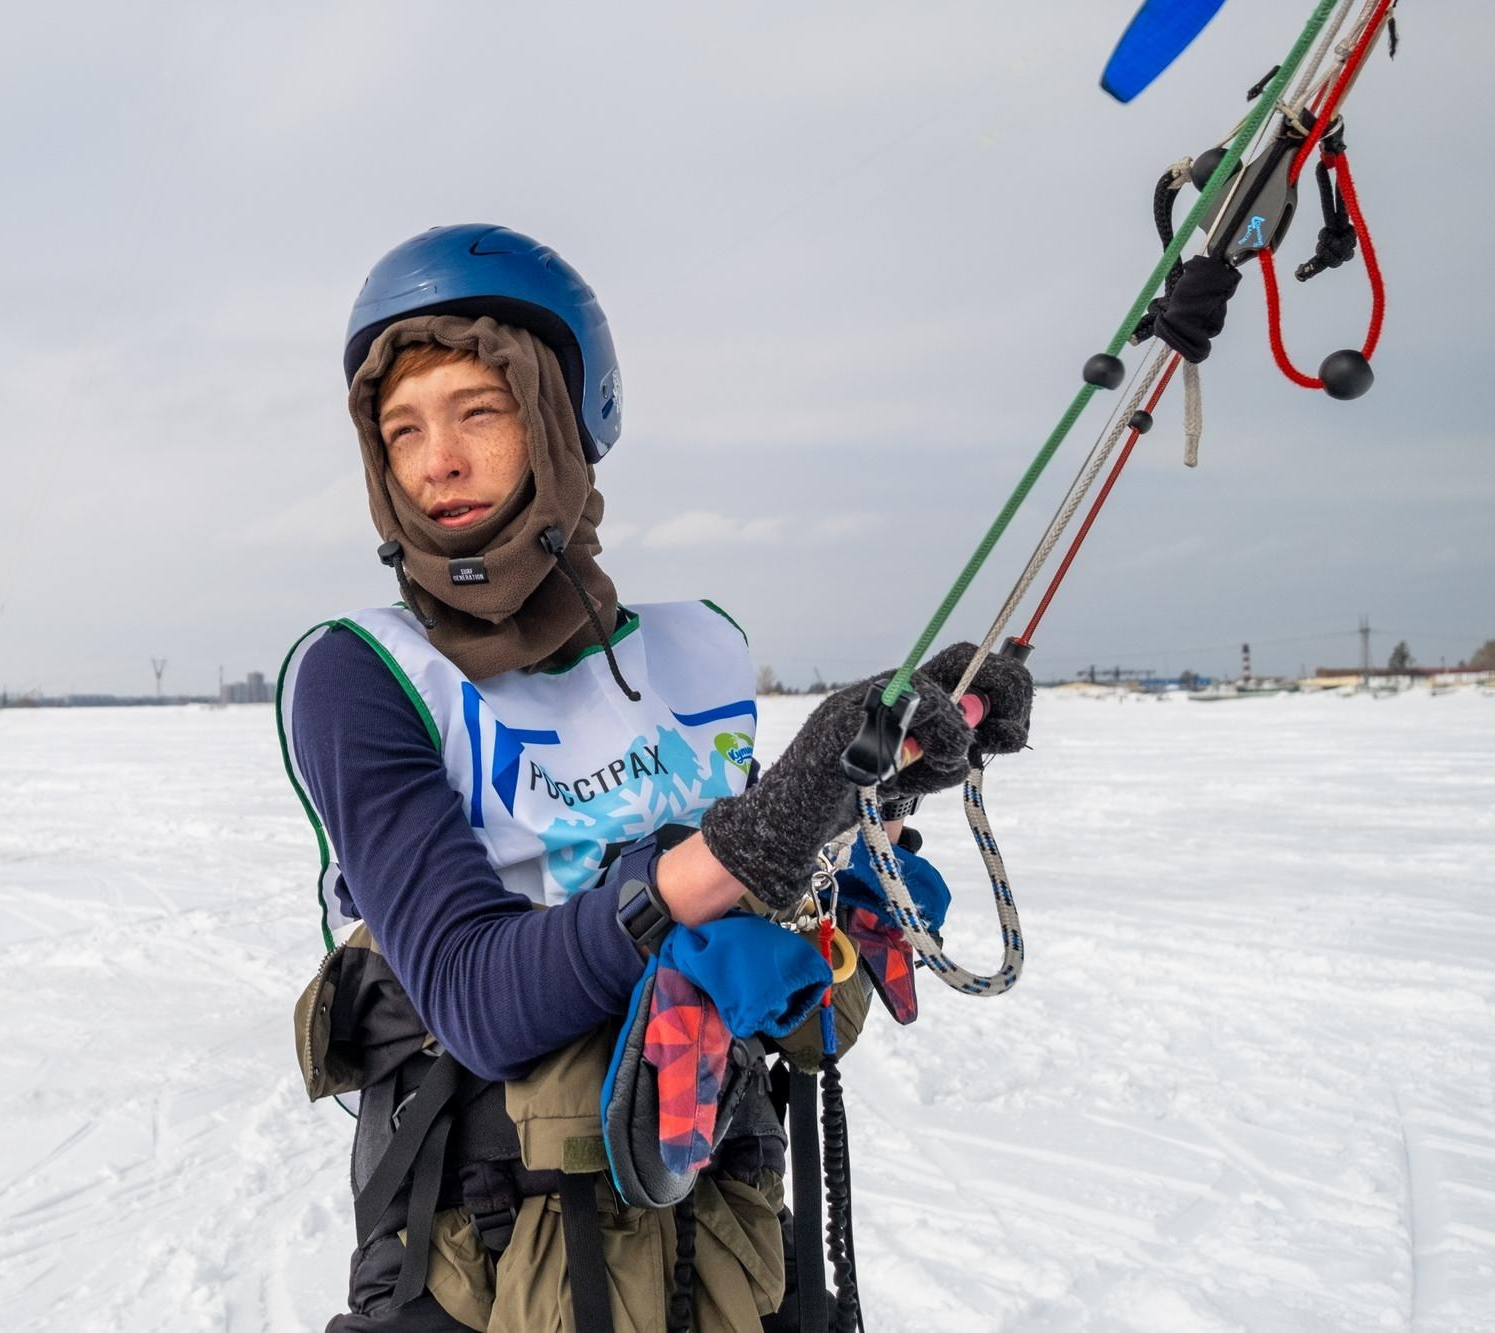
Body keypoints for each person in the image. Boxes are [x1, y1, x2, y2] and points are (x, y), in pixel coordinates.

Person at [278, 225, 1034, 1332]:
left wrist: (885, 765)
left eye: (477, 413)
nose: (434, 460)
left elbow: (774, 871)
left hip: (724, 1220)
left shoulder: (698, 650)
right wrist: (732, 849)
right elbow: (478, 998)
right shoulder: (361, 672)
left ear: (563, 421)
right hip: (488, 1255)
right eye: (401, 429)